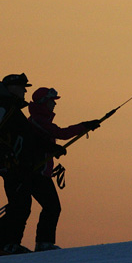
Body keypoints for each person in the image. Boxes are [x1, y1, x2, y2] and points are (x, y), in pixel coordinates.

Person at [0, 73, 64, 256]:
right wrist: (7, 159)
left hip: (19, 166)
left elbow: (29, 137)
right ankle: (5, 245)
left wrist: (50, 148)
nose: (24, 91)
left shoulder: (12, 110)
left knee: (21, 205)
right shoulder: (2, 108)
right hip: (11, 166)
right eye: (22, 87)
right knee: (19, 205)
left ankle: (9, 245)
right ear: (11, 88)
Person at [27, 87, 101, 251]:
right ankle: (43, 243)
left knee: (50, 206)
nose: (54, 104)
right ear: (44, 103)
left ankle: (43, 243)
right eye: (52, 101)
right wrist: (84, 126)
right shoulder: (38, 121)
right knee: (52, 207)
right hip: (36, 173)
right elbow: (61, 133)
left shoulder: (39, 120)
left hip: (41, 172)